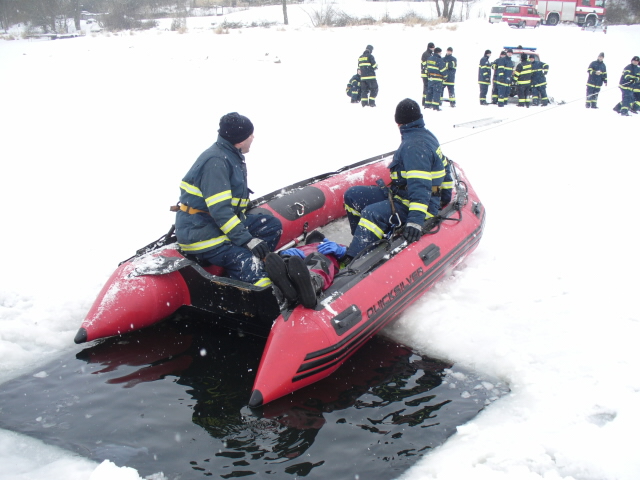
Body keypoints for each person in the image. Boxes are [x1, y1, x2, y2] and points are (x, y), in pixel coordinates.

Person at [175, 112, 282, 287]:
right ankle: (256, 282)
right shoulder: (216, 162)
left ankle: (254, 264)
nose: (253, 137)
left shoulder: (229, 154)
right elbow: (220, 211)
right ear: (239, 141)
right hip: (202, 233)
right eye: (250, 135)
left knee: (270, 226)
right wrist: (247, 240)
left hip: (215, 225)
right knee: (247, 262)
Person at [342, 98, 446, 261]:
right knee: (353, 195)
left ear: (398, 123)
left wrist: (415, 221)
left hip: (416, 203)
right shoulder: (423, 135)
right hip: (400, 194)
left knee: (372, 214)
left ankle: (355, 261)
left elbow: (420, 187)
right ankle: (361, 241)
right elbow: (443, 169)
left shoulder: (414, 146)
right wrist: (445, 197)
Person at [264, 231, 346, 309]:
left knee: (295, 261)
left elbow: (356, 259)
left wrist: (283, 255)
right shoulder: (334, 247)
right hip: (309, 268)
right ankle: (311, 283)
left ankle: (282, 291)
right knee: (312, 262)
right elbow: (355, 260)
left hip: (305, 266)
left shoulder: (329, 247)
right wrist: (344, 253)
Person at [421, 42, 435, 108]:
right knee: (427, 88)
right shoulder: (427, 54)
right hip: (426, 74)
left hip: (425, 74)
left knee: (426, 88)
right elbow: (425, 65)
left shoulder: (428, 54)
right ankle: (425, 101)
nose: (433, 49)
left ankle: (425, 101)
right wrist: (428, 73)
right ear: (430, 47)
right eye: (433, 47)